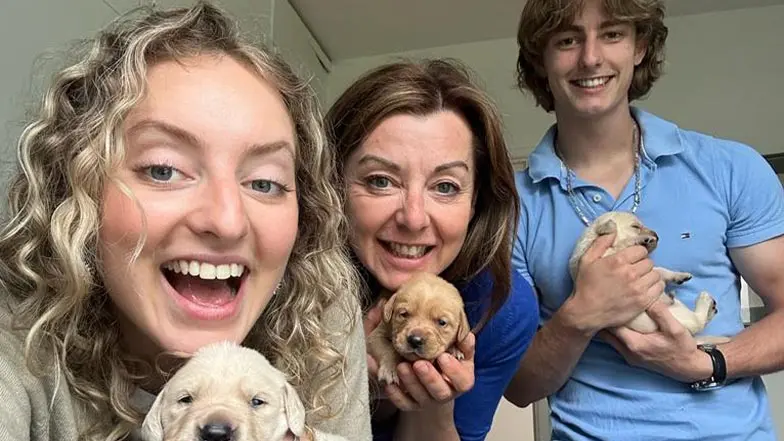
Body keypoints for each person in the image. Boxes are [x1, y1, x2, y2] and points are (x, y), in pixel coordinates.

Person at [0, 2, 371, 440]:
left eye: (266, 182)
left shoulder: (319, 309)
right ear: (75, 191)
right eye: (163, 169)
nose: (228, 220)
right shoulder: (16, 340)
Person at [505, 0, 784, 439]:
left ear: (640, 47)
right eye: (567, 39)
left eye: (612, 33)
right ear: (540, 59)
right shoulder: (510, 209)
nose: (591, 57)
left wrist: (704, 363)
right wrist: (579, 316)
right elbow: (519, 387)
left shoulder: (731, 168)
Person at [325, 58, 540, 441]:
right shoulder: (287, 276)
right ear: (333, 188)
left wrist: (434, 407)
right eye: (380, 181)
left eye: (445, 187)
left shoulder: (500, 307)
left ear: (476, 203)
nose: (413, 218)